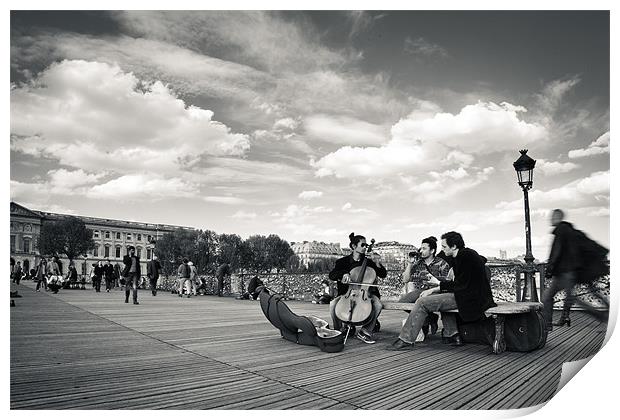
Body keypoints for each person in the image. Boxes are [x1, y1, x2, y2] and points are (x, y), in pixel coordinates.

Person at [388, 231, 496, 351]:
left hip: (470, 299)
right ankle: (451, 334)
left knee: (422, 302)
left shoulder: (465, 257)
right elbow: (479, 262)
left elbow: (460, 284)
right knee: (431, 299)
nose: (442, 249)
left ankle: (406, 339)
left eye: (444, 246)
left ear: (454, 246)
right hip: (467, 295)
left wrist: (435, 288)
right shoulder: (463, 255)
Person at [542, 209, 608, 331]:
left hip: (564, 272)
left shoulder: (560, 230)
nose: (550, 219)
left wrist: (549, 270)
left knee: (547, 297)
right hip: (574, 271)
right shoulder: (571, 231)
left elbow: (556, 252)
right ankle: (565, 318)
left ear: (557, 217)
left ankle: (546, 324)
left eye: (552, 217)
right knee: (572, 297)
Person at [328, 232, 387, 344]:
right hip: (347, 293)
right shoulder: (342, 262)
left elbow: (383, 274)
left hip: (366, 294)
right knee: (332, 305)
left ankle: (365, 331)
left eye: (366, 245)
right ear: (354, 247)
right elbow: (332, 275)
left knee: (378, 305)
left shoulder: (370, 262)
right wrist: (344, 274)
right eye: (363, 245)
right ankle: (339, 330)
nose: (365, 247)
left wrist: (378, 263)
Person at [399, 236, 451, 339]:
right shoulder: (418, 263)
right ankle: (430, 318)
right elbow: (405, 279)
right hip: (421, 291)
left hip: (436, 291)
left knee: (421, 301)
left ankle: (426, 320)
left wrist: (435, 282)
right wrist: (409, 264)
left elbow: (447, 281)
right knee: (402, 302)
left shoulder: (441, 263)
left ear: (432, 250)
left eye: (424, 248)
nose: (421, 251)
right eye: (421, 248)